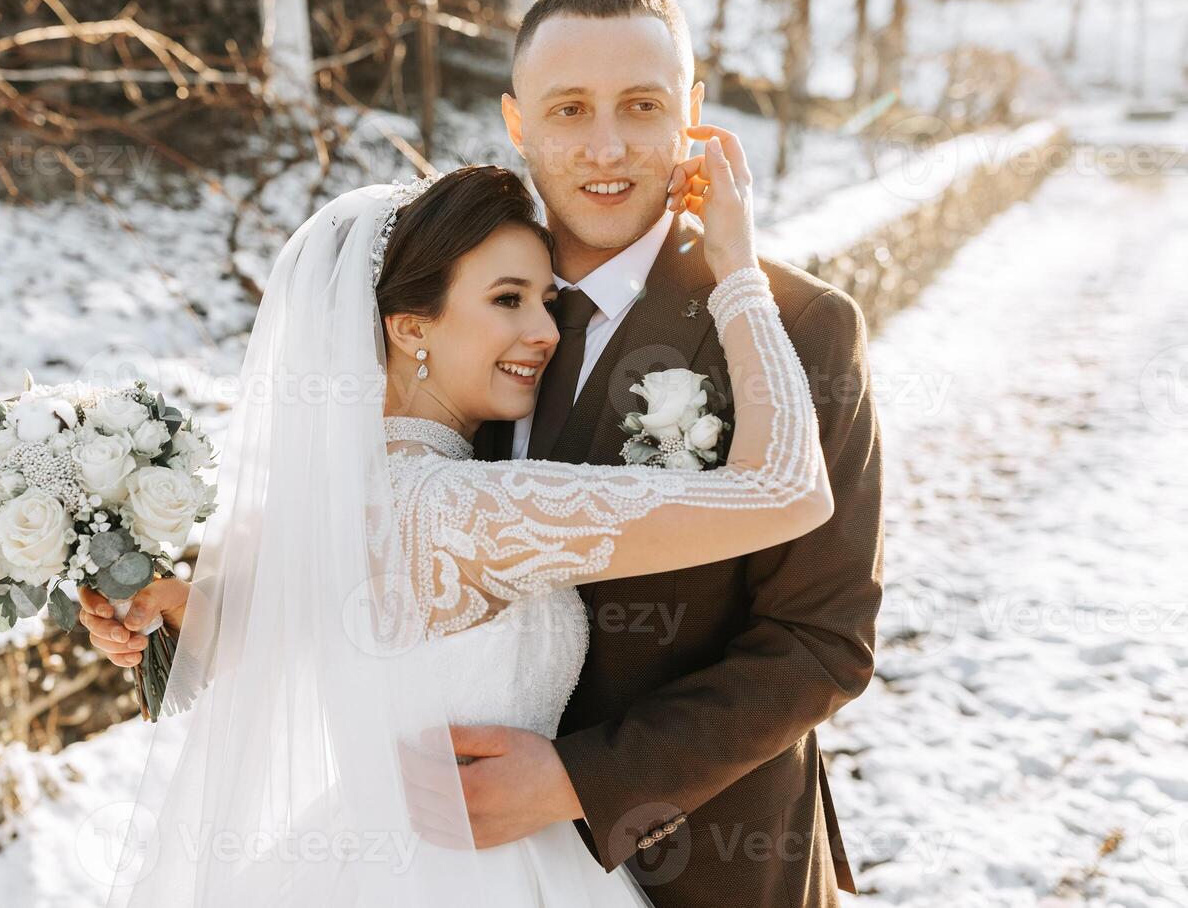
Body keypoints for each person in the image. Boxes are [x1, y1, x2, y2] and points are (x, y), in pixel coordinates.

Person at [84, 118, 834, 904]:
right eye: (507, 299)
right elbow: (788, 490)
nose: (544, 331)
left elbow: (245, 632)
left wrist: (162, 610)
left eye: (546, 301)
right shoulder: (465, 509)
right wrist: (738, 270)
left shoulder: (323, 513)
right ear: (410, 329)